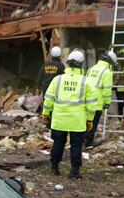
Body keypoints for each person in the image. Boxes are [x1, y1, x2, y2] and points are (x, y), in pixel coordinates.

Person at [42, 49, 102, 179]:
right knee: (76, 144)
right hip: (77, 120)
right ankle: (74, 171)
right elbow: (91, 104)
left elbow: (49, 98)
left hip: (59, 118)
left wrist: (45, 114)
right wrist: (90, 120)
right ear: (81, 64)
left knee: (58, 143)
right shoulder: (86, 81)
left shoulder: (58, 79)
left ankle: (54, 167)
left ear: (68, 63)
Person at [84, 49, 117, 146]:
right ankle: (88, 141)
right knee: (93, 123)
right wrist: (107, 103)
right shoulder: (107, 72)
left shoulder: (91, 68)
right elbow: (107, 90)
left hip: (87, 100)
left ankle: (82, 140)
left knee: (85, 121)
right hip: (97, 103)